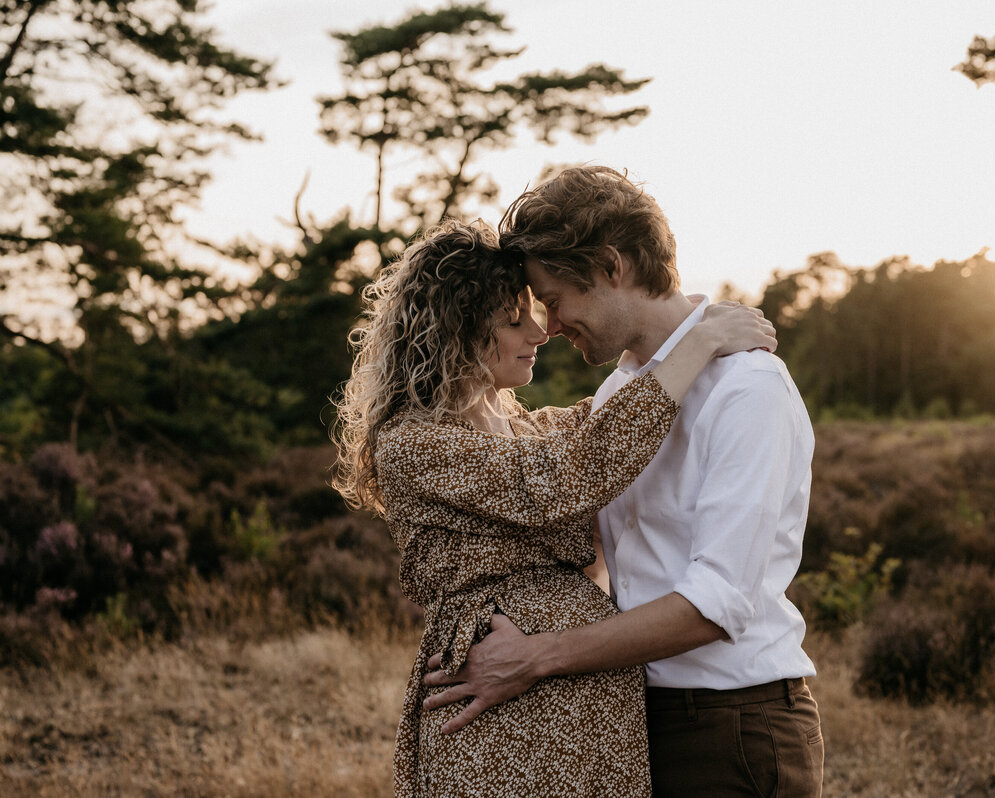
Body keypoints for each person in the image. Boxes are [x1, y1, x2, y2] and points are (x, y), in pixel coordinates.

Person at [330, 218, 777, 797]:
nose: (539, 334)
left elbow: (613, 417)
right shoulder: (415, 444)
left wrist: (671, 326)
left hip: (589, 710)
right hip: (500, 715)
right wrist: (698, 342)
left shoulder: (527, 428)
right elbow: (571, 474)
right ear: (457, 333)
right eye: (513, 320)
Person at [421, 167, 825, 798]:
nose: (549, 327)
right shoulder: (620, 393)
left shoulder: (748, 390)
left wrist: (537, 656)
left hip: (731, 726)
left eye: (554, 300)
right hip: (636, 720)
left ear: (612, 266)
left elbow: (716, 604)